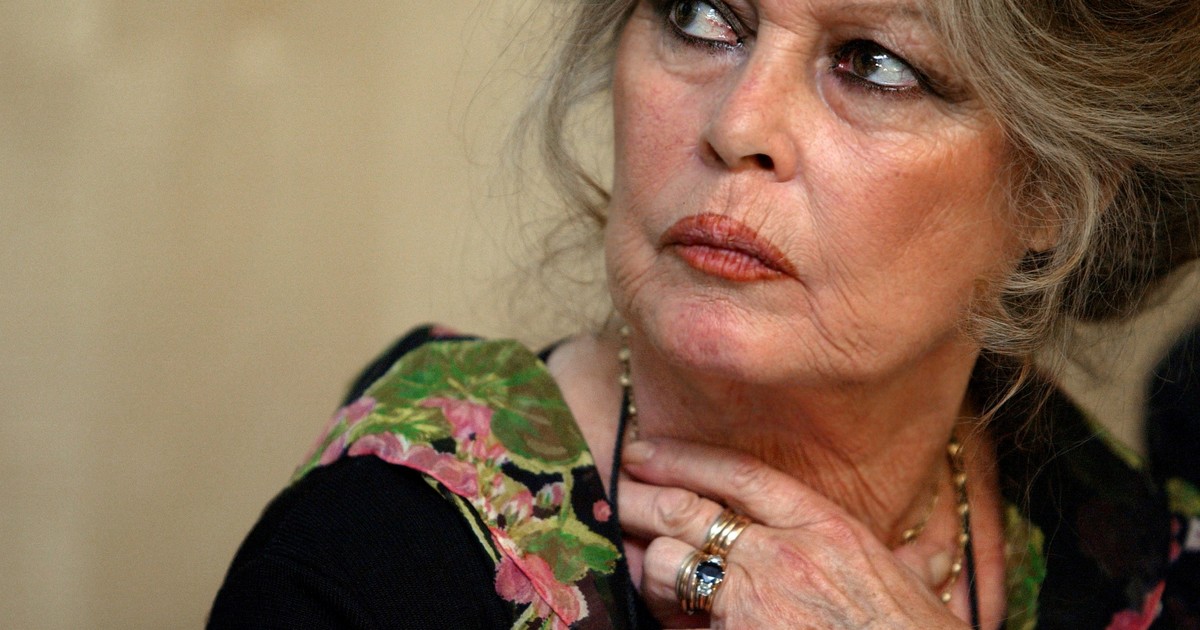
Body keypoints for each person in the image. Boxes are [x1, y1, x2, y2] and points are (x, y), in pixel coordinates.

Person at [209, 0, 1200, 627]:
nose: (738, 124)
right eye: (700, 15)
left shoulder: (1133, 548)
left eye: (874, 63)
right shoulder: (368, 565)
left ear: (1056, 193)